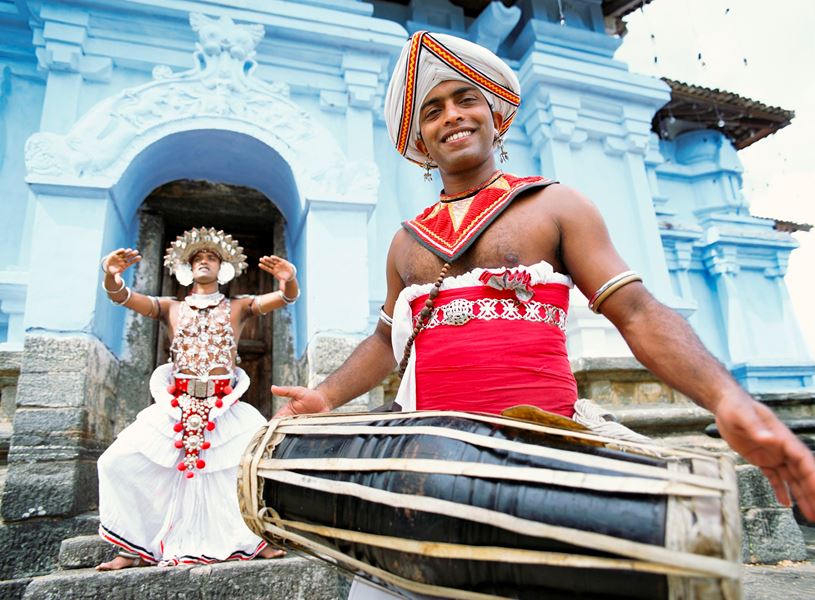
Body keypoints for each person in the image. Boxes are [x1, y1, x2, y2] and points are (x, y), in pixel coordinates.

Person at [272, 31, 815, 525]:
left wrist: (727, 399)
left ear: (496, 114)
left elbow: (637, 310)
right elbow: (384, 341)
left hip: (547, 451)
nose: (453, 116)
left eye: (467, 99)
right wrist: (325, 397)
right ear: (420, 142)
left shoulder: (555, 204)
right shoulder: (406, 241)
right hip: (429, 454)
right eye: (433, 111)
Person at [95, 227, 298, 570]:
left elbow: (284, 299)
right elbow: (124, 297)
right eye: (197, 258)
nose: (204, 261)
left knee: (249, 467)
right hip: (176, 406)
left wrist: (288, 280)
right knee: (116, 461)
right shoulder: (169, 307)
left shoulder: (239, 306)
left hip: (225, 406)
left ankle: (256, 540)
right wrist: (111, 274)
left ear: (223, 267)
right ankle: (131, 548)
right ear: (187, 268)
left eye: (211, 257)